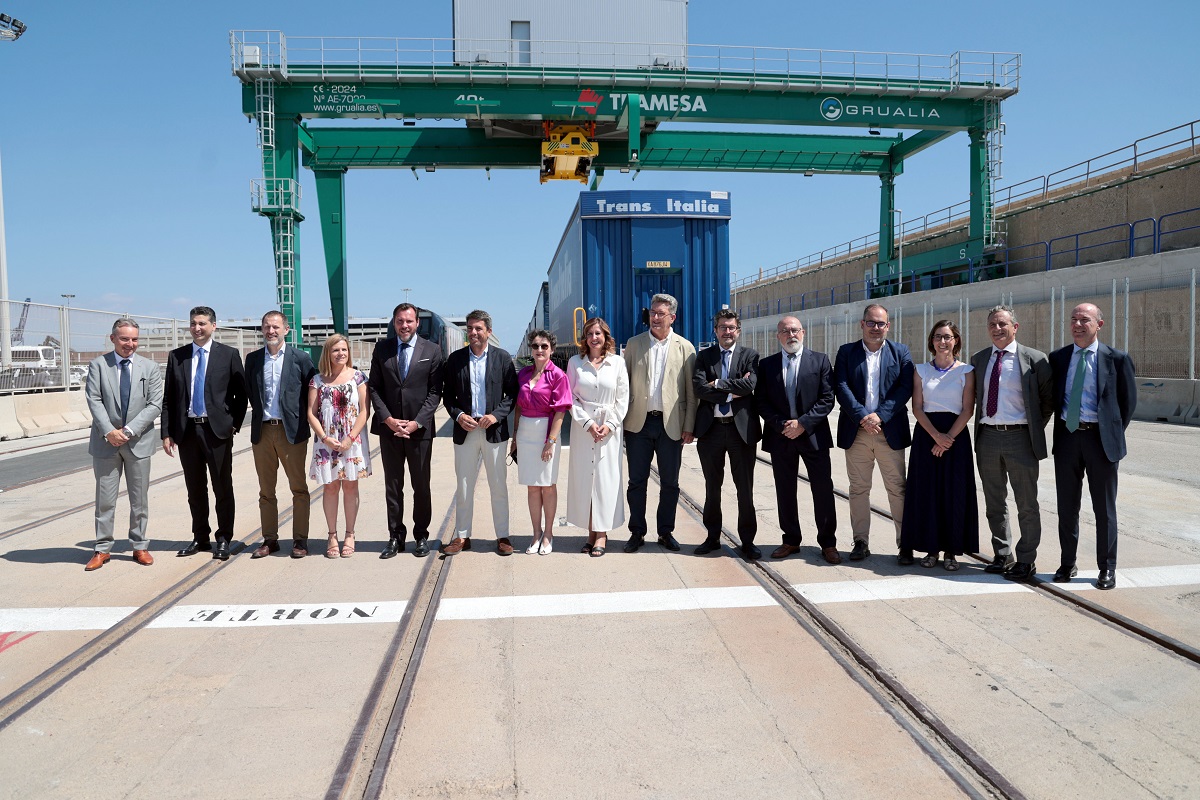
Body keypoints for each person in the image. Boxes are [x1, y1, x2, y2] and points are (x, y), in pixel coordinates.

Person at [1050, 303, 1136, 590]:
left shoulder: (1117, 359)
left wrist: (1110, 433)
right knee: (1067, 507)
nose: (1077, 324)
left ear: (1099, 324)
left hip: (1101, 442)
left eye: (1084, 319)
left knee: (1104, 508)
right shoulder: (1059, 358)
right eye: (1073, 319)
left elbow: (1127, 403)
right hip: (1067, 440)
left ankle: (1107, 568)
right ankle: (1067, 563)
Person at [970, 305, 1053, 582]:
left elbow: (1047, 401)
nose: (997, 329)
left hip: (1021, 438)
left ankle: (1026, 558)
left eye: (1002, 324)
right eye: (992, 324)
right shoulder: (979, 359)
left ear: (1015, 327)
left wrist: (1030, 429)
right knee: (994, 501)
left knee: (1026, 503)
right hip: (988, 437)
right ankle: (1002, 553)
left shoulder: (1035, 359)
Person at [161, 306, 248, 561]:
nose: (197, 328)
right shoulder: (177, 356)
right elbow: (169, 398)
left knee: (222, 487)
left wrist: (233, 425)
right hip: (187, 432)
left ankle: (223, 539)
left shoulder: (229, 355)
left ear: (213, 326)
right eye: (193, 324)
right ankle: (200, 538)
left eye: (202, 323)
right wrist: (167, 432)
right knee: (195, 489)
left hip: (217, 431)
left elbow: (241, 395)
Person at [755, 316, 840, 564]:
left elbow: (827, 398)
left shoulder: (820, 360)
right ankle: (791, 539)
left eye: (795, 330)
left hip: (813, 435)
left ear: (803, 332)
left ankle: (828, 543)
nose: (791, 334)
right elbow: (761, 401)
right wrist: (782, 424)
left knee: (823, 490)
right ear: (778, 335)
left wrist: (802, 423)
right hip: (781, 436)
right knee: (785, 490)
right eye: (785, 331)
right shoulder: (767, 365)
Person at [833, 304, 913, 564]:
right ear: (862, 324)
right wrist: (862, 417)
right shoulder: (846, 353)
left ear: (888, 326)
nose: (876, 328)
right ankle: (860, 542)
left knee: (898, 489)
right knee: (858, 489)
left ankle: (905, 544)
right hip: (857, 432)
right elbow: (841, 387)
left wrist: (880, 416)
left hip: (888, 431)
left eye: (881, 323)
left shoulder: (901, 352)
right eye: (871, 322)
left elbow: (904, 388)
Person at [83, 318, 164, 571]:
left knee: (139, 500)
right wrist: (109, 431)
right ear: (113, 339)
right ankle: (102, 548)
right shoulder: (98, 365)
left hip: (138, 442)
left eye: (134, 339)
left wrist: (127, 431)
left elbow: (154, 405)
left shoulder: (149, 367)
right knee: (105, 499)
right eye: (125, 339)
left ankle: (139, 546)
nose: (130, 344)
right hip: (106, 444)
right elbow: (94, 400)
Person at [899, 321, 978, 571]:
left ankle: (951, 552)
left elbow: (967, 410)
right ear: (931, 341)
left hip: (955, 436)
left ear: (956, 340)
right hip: (926, 435)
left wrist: (948, 439)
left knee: (954, 494)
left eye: (947, 337)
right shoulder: (920, 370)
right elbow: (917, 407)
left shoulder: (966, 371)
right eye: (937, 337)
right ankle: (931, 549)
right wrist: (936, 437)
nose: (942, 342)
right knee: (927, 494)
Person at [622, 293, 697, 553]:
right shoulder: (634, 344)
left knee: (670, 483)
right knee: (636, 482)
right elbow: (624, 386)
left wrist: (689, 426)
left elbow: (691, 392)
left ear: (672, 317)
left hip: (671, 425)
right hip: (638, 425)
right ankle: (637, 532)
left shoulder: (685, 348)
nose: (654, 317)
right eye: (652, 313)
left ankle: (665, 532)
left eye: (660, 314)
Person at [368, 303, 444, 559]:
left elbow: (435, 392)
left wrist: (417, 422)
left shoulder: (432, 350)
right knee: (393, 486)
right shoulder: (382, 349)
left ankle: (421, 535)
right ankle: (395, 537)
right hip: (390, 430)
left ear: (417, 323)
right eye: (400, 321)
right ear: (394, 322)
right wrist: (388, 419)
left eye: (409, 321)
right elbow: (374, 388)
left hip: (419, 431)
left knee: (421, 485)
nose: (404, 326)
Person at [442, 310, 519, 556]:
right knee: (464, 486)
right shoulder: (455, 360)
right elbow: (448, 397)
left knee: (498, 486)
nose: (473, 332)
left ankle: (502, 536)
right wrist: (458, 415)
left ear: (489, 331)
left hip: (493, 431)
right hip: (465, 430)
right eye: (470, 328)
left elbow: (513, 394)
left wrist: (496, 415)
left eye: (478, 328)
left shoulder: (503, 358)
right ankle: (463, 536)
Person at [245, 311, 317, 559]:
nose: (271, 331)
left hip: (292, 432)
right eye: (266, 327)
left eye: (275, 327)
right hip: (263, 431)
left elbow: (313, 394)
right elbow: (250, 393)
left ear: (286, 330)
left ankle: (300, 540)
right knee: (266, 491)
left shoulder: (301, 358)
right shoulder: (253, 359)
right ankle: (270, 539)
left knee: (298, 488)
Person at [692, 309, 761, 559]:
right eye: (723, 327)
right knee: (713, 487)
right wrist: (735, 389)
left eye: (731, 327)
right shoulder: (704, 356)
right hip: (711, 431)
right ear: (716, 330)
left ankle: (748, 541)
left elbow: (751, 385)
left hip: (740, 431)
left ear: (738, 330)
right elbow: (699, 389)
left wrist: (719, 384)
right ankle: (712, 538)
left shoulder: (750, 356)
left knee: (745, 488)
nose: (727, 331)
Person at [566, 318, 629, 557]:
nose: (594, 337)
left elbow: (623, 398)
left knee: (605, 479)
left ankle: (601, 534)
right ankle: (591, 532)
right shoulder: (575, 363)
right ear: (585, 337)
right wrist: (588, 423)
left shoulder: (618, 363)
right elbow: (569, 397)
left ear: (606, 337)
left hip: (609, 429)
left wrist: (610, 424)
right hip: (584, 429)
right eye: (590, 333)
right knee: (585, 479)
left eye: (599, 333)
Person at [307, 334, 372, 558]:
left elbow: (364, 410)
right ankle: (332, 535)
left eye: (344, 350)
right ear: (328, 353)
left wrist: (350, 438)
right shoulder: (317, 380)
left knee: (351, 487)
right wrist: (325, 438)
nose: (341, 354)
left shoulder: (359, 378)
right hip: (326, 443)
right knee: (331, 487)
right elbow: (311, 413)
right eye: (336, 350)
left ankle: (350, 534)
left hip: (351, 441)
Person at [509, 330, 572, 555]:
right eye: (535, 346)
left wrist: (551, 441)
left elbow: (561, 411)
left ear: (552, 350)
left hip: (547, 431)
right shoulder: (524, 374)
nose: (539, 350)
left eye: (544, 346)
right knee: (532, 486)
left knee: (548, 485)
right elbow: (518, 407)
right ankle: (535, 533)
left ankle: (548, 534)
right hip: (525, 433)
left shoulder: (558, 376)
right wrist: (514, 437)